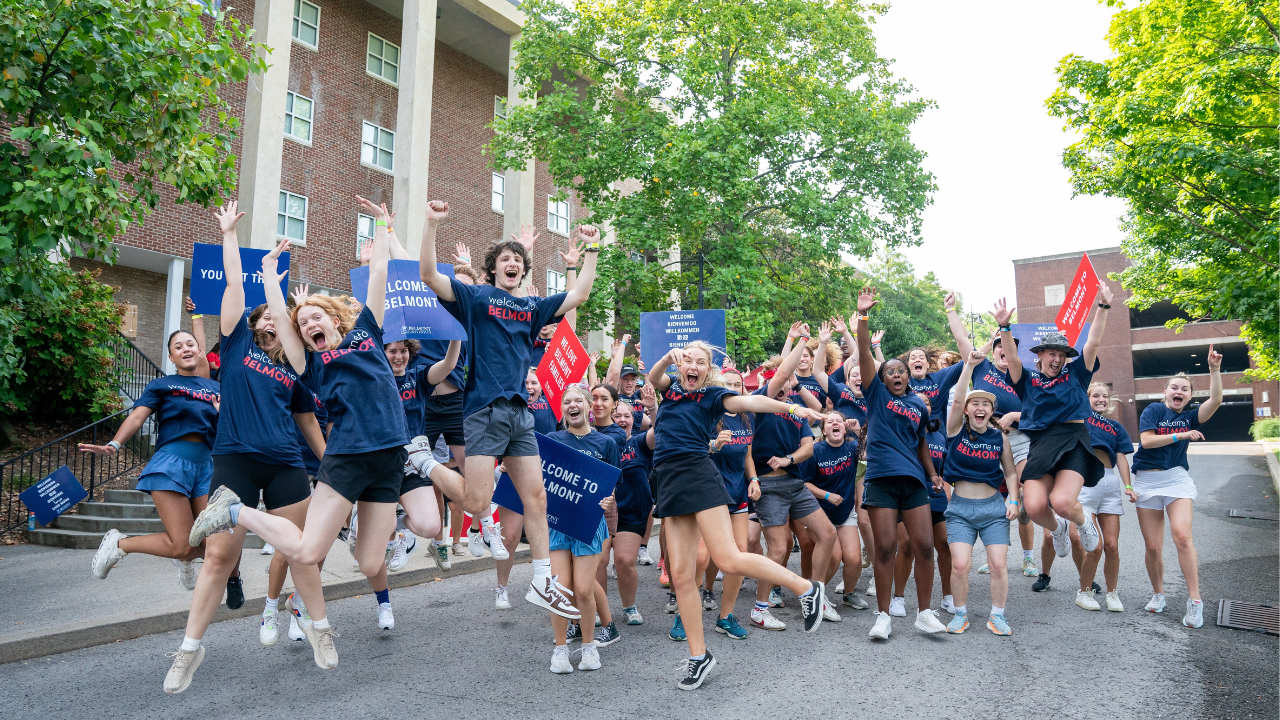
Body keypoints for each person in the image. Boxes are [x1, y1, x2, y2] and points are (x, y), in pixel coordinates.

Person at [161, 202, 328, 695]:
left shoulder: (295, 367)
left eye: (278, 319)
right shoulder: (235, 345)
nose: (270, 322)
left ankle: (318, 628)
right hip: (233, 457)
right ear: (254, 324)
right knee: (218, 557)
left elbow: (305, 417)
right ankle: (190, 649)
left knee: (302, 554)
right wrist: (230, 234)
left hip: (285, 464)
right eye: (264, 317)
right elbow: (235, 287)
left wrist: (327, 457)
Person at [417, 200, 598, 620]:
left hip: (520, 412)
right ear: (493, 268)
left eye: (518, 259)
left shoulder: (532, 309)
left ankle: (540, 579)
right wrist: (431, 224)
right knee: (477, 500)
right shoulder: (475, 297)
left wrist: (591, 250)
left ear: (522, 270)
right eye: (505, 258)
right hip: (483, 409)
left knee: (537, 497)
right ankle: (423, 460)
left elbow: (580, 293)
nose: (512, 263)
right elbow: (428, 275)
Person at [646, 340, 827, 690]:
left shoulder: (713, 396)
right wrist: (665, 357)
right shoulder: (670, 392)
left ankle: (807, 589)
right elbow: (654, 378)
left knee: (728, 558)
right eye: (688, 361)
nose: (693, 365)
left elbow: (752, 400)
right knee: (683, 577)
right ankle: (699, 657)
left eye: (701, 361)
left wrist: (791, 410)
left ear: (708, 370)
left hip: (697, 474)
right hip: (668, 480)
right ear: (680, 367)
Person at [85, 329, 220, 591]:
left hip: (207, 467)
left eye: (190, 344)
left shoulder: (217, 388)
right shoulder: (162, 385)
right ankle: (120, 544)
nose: (186, 349)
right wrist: (115, 443)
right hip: (172, 464)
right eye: (178, 347)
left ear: (200, 351)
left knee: (210, 545)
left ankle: (182, 561)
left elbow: (231, 427)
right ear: (172, 357)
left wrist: (222, 411)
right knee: (182, 546)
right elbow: (137, 416)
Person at [855, 287, 949, 640]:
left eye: (901, 371)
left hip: (914, 483)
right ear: (881, 379)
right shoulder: (876, 396)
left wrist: (932, 474)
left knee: (924, 545)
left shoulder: (919, 405)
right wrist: (863, 316)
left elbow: (922, 442)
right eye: (890, 371)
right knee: (884, 547)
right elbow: (864, 353)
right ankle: (883, 616)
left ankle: (925, 612)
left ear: (909, 376)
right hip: (881, 479)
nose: (896, 374)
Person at [1003, 286, 1112, 572]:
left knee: (1062, 502)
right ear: (1039, 356)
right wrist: (1004, 327)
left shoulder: (1076, 374)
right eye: (1051, 353)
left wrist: (1102, 307)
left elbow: (1093, 343)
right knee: (1036, 507)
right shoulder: (1027, 379)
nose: (1057, 359)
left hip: (1073, 438)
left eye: (1062, 354)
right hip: (1041, 444)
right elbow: (1012, 359)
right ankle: (1060, 529)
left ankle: (1082, 519)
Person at [944, 295, 1039, 579]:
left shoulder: (1025, 378)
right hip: (982, 440)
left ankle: (1028, 558)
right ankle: (995, 554)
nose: (1002, 351)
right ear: (994, 351)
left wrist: (1016, 417)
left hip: (1019, 441)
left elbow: (1041, 414)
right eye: (998, 346)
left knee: (1023, 496)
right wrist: (950, 310)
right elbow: (962, 339)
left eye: (1007, 349)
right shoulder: (982, 368)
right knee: (992, 502)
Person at [749, 338, 839, 629]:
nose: (786, 383)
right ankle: (760, 609)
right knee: (777, 549)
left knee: (826, 534)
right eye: (782, 379)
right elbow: (781, 374)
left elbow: (808, 447)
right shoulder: (763, 403)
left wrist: (789, 459)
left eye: (789, 381)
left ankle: (816, 594)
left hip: (795, 484)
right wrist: (800, 342)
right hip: (768, 486)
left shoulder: (796, 409)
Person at [1131, 347, 1223, 628]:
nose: (1178, 391)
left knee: (1182, 536)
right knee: (1153, 546)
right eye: (1174, 387)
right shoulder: (1154, 410)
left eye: (1184, 389)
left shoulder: (1192, 415)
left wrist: (1214, 370)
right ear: (1166, 391)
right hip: (1147, 481)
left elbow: (1216, 400)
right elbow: (1146, 441)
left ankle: (1195, 601)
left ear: (1189, 396)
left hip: (1176, 480)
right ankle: (1158, 594)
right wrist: (1181, 434)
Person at [941, 351, 1021, 635]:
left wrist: (1013, 499)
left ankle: (997, 616)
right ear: (966, 408)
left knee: (999, 565)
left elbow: (1010, 472)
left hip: (993, 510)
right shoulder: (955, 429)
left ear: (991, 411)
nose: (979, 407)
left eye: (985, 404)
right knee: (960, 565)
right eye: (975, 403)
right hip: (960, 510)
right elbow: (959, 397)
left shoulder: (999, 438)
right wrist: (968, 367)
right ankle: (960, 614)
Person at [546, 386, 621, 674]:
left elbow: (611, 484)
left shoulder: (606, 443)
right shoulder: (552, 440)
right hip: (557, 524)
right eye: (567, 402)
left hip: (589, 524)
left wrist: (609, 498)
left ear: (589, 405)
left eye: (578, 400)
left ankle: (589, 646)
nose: (572, 405)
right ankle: (560, 649)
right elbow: (535, 472)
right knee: (559, 590)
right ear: (562, 408)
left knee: (584, 589)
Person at [1065, 381, 1135, 612]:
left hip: (1110, 483)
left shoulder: (1116, 427)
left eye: (1105, 396)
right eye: (1096, 395)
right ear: (1087, 398)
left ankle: (1112, 594)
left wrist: (1128, 485)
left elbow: (1122, 457)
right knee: (1095, 544)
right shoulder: (1079, 418)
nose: (1101, 400)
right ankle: (1084, 592)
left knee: (1112, 546)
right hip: (1085, 481)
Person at [706, 366, 757, 639]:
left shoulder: (746, 418)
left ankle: (725, 616)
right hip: (710, 492)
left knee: (740, 551)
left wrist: (755, 480)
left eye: (738, 384)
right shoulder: (708, 415)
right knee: (702, 556)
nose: (733, 388)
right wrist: (713, 445)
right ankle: (684, 611)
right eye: (728, 383)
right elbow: (692, 451)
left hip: (738, 491)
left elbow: (747, 456)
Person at [802, 410, 867, 612]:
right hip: (819, 513)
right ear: (824, 430)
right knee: (834, 556)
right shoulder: (815, 450)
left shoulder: (852, 447)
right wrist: (827, 495)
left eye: (839, 421)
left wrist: (859, 432)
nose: (835, 423)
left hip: (845, 512)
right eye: (830, 422)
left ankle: (848, 594)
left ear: (844, 427)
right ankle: (812, 594)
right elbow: (804, 484)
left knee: (855, 559)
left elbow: (869, 454)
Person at [611, 397, 655, 626]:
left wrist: (654, 407)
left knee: (625, 560)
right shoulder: (601, 441)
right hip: (602, 511)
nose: (622, 419)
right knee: (596, 563)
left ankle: (629, 606)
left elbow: (661, 431)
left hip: (633, 511)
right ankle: (597, 610)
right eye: (617, 415)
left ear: (633, 420)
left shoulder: (639, 442)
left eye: (627, 416)